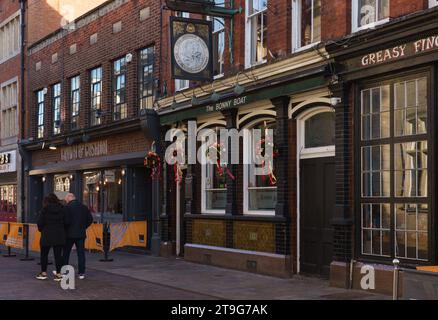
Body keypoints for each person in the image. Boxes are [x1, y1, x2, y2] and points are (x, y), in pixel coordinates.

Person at [63, 193, 93, 280]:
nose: (66, 201)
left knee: (66, 253)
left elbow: (65, 221)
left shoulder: (67, 208)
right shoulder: (83, 207)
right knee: (81, 254)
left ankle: (65, 271)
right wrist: (83, 227)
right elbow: (90, 219)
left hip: (69, 234)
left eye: (66, 200)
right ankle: (81, 273)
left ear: (69, 198)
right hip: (80, 233)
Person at [36, 194, 66, 281]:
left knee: (44, 255)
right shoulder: (62, 209)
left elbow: (40, 223)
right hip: (59, 235)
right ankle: (58, 274)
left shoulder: (44, 210)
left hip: (47, 235)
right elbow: (66, 221)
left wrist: (42, 230)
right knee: (58, 255)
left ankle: (43, 273)